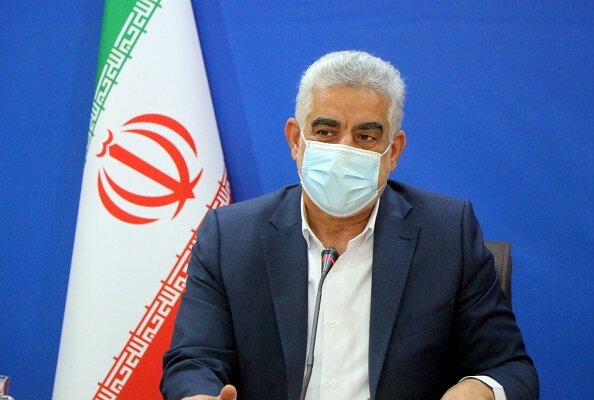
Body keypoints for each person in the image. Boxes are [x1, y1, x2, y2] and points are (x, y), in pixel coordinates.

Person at [161, 50, 538, 400]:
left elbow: (510, 367)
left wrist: (478, 391)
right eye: (326, 132)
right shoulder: (230, 237)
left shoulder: (447, 235)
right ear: (296, 140)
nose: (344, 150)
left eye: (365, 136)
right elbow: (193, 361)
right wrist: (199, 395)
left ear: (393, 151)